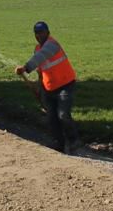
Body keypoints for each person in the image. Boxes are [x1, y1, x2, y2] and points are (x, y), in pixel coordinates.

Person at [15, 21, 81, 154]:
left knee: (63, 115)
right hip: (49, 87)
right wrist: (39, 88)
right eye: (36, 33)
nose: (39, 35)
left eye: (41, 32)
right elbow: (41, 71)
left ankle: (74, 140)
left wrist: (25, 68)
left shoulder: (52, 45)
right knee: (52, 118)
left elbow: (41, 57)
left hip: (65, 84)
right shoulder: (37, 48)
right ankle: (59, 145)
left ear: (48, 32)